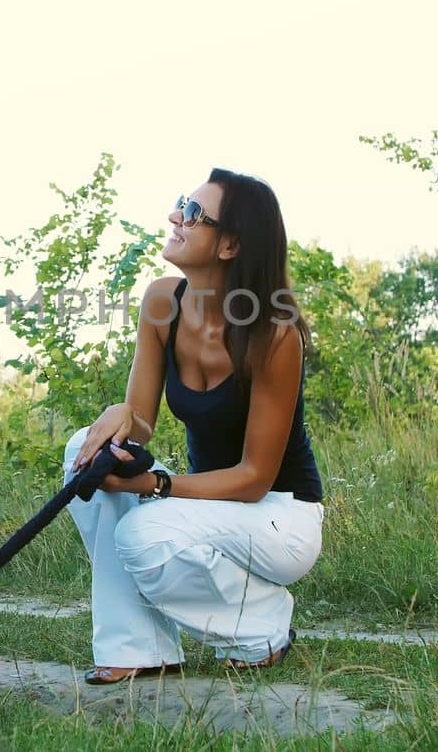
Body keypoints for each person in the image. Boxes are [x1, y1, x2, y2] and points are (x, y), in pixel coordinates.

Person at [65, 169, 324, 684]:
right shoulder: (163, 302)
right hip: (206, 508)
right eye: (181, 204)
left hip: (279, 516)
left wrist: (155, 485)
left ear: (229, 244)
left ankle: (262, 623)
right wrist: (121, 417)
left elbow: (253, 479)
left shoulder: (274, 336)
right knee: (85, 447)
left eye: (191, 213)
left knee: (143, 532)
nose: (174, 217)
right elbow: (138, 426)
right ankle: (137, 648)